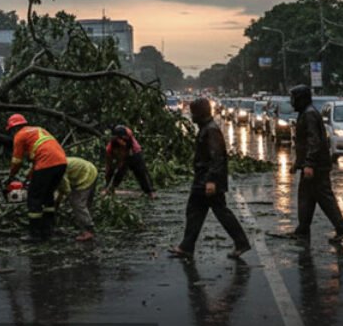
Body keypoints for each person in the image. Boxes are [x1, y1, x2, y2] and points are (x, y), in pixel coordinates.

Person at [168, 97, 251, 260]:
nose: (191, 116)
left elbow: (217, 157)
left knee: (220, 212)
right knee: (195, 211)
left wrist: (211, 181)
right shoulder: (206, 128)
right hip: (203, 179)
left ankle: (241, 242)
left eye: (193, 113)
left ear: (200, 113)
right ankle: (187, 246)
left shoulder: (210, 130)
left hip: (208, 180)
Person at [289, 85, 343, 244]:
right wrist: (298, 163)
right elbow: (303, 143)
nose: (292, 102)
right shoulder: (305, 113)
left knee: (324, 199)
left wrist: (309, 164)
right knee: (306, 198)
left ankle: (342, 228)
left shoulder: (309, 114)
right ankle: (302, 229)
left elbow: (313, 141)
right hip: (312, 165)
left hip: (316, 167)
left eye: (294, 98)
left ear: (301, 99)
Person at [6, 114, 67, 242]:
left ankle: (34, 234)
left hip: (46, 163)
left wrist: (10, 176)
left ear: (13, 129)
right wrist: (28, 178)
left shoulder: (19, 136)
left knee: (34, 198)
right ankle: (48, 231)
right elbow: (38, 161)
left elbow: (17, 161)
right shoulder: (38, 130)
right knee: (48, 196)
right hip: (61, 162)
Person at [104, 124, 157, 198]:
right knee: (117, 172)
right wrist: (109, 171)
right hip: (121, 155)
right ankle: (109, 188)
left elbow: (126, 154)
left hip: (134, 153)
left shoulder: (129, 136)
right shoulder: (110, 148)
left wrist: (122, 161)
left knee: (141, 171)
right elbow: (108, 163)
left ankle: (150, 191)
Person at [56, 155, 98, 242]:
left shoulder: (57, 170)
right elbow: (61, 189)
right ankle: (86, 222)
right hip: (89, 169)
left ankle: (88, 230)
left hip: (86, 174)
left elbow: (66, 189)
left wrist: (59, 203)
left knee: (77, 203)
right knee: (85, 204)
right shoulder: (56, 165)